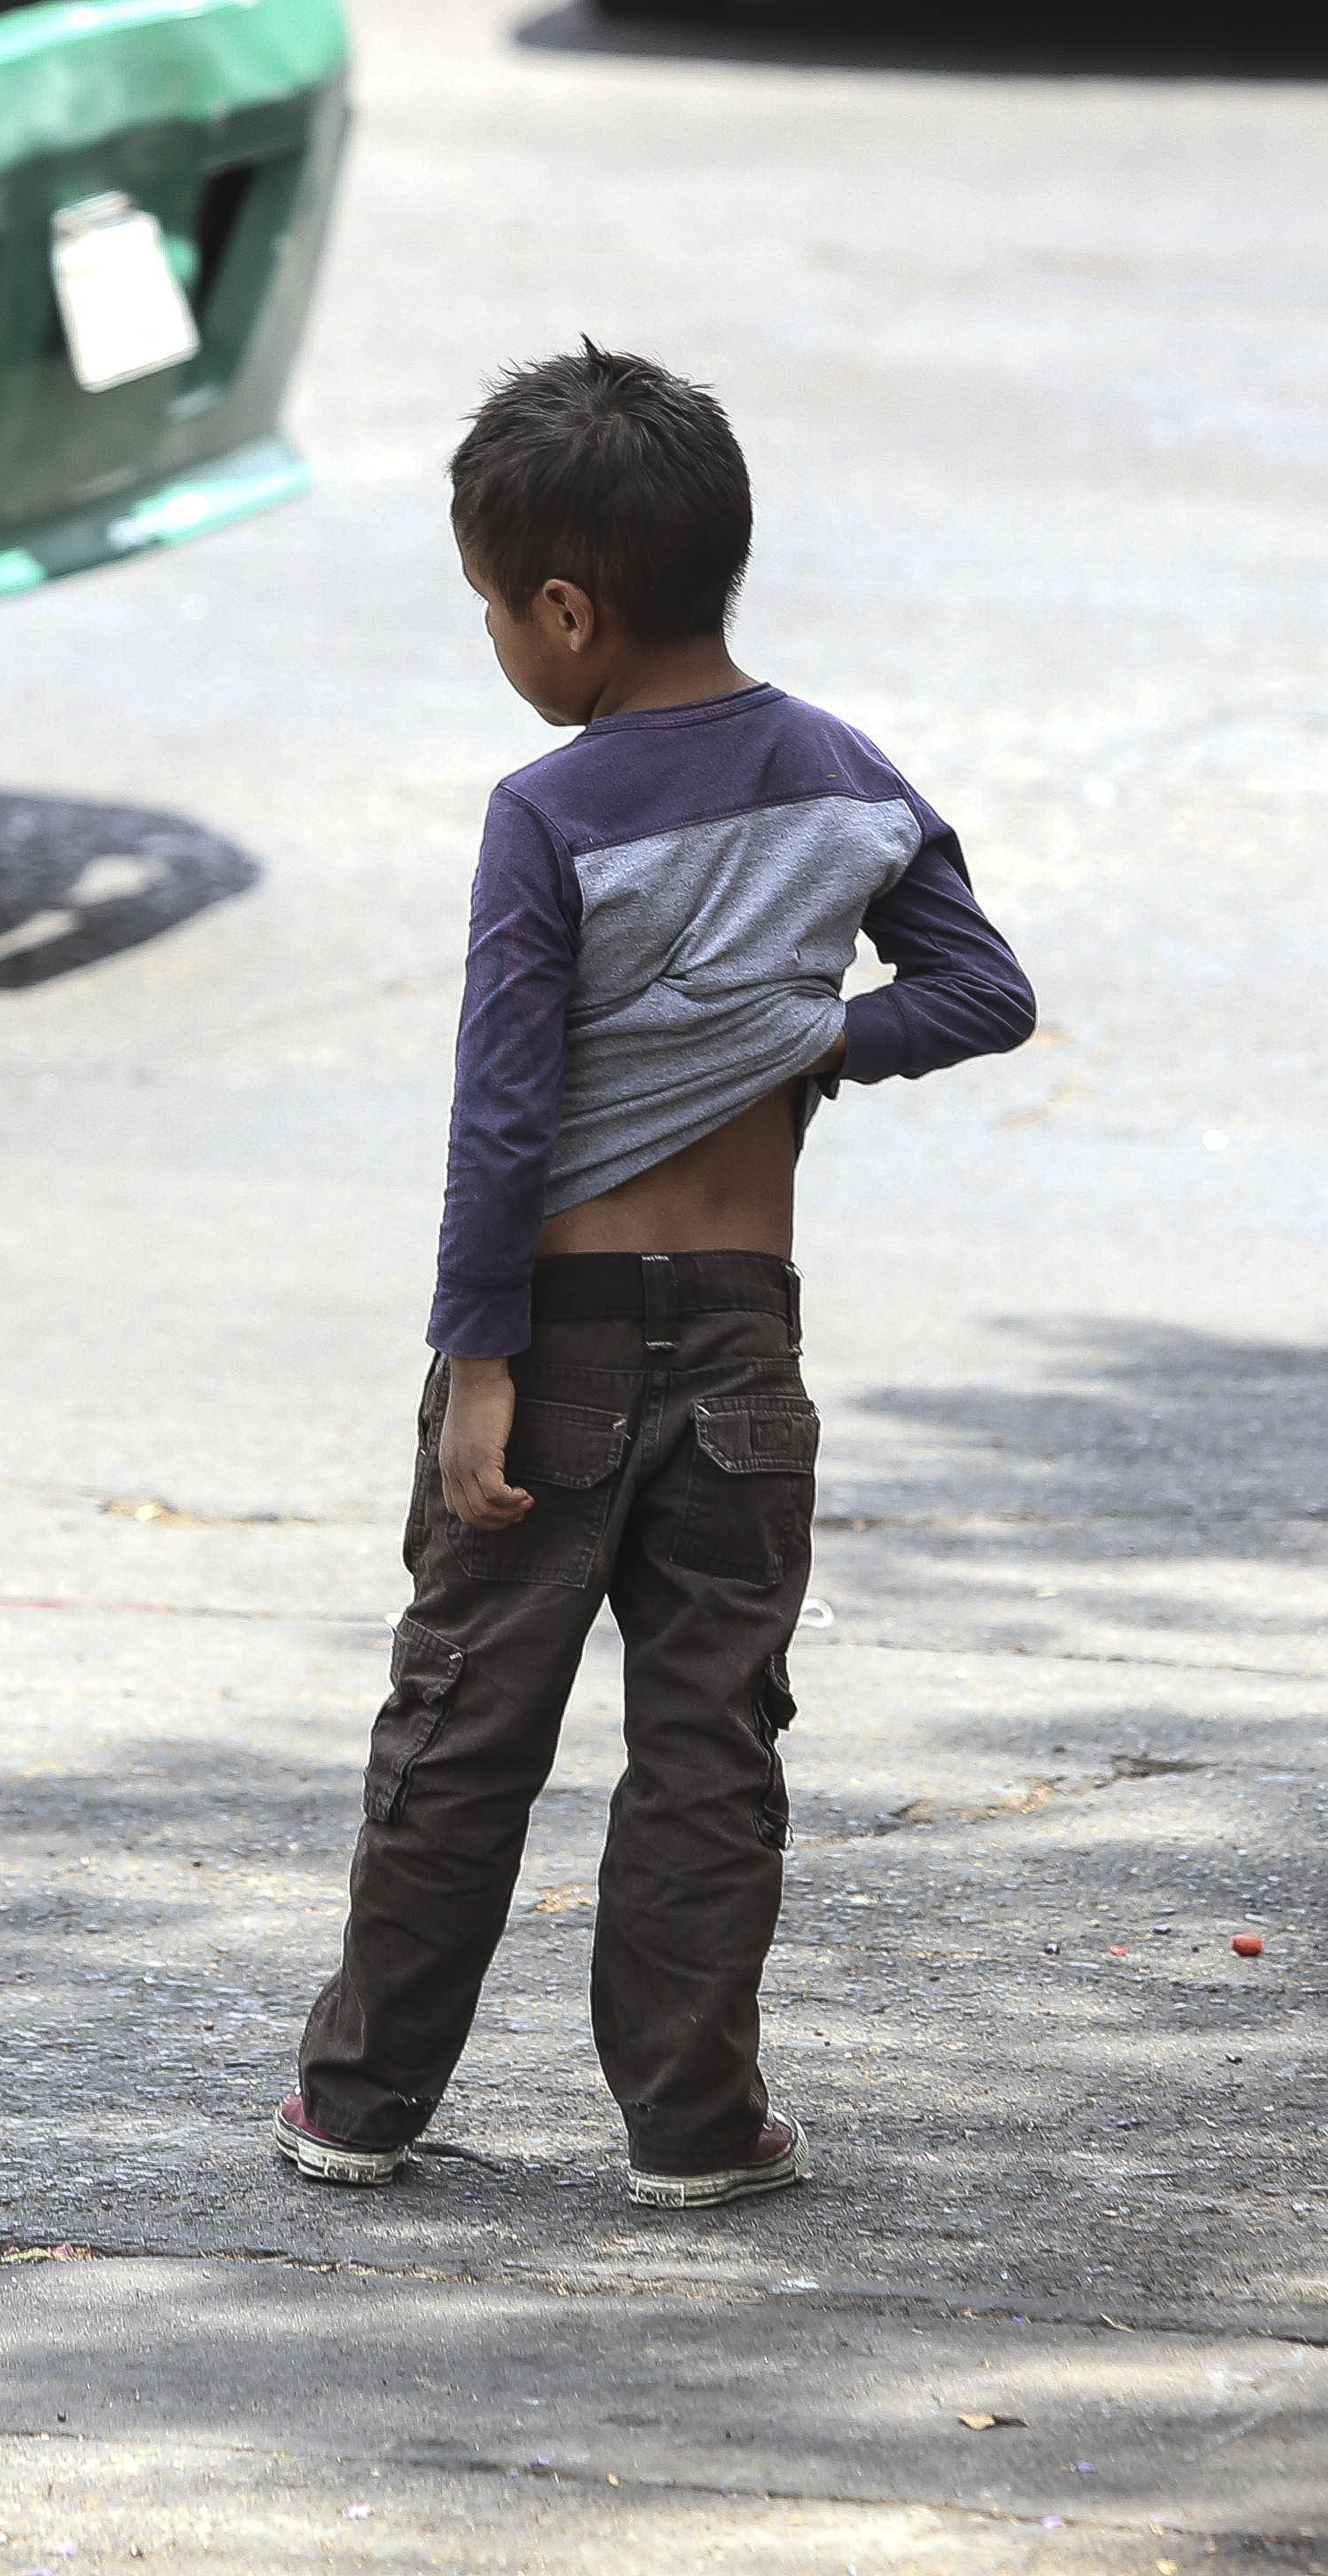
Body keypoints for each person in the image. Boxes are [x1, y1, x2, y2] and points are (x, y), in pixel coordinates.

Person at [275, 344, 1037, 2207]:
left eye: (488, 609)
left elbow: (502, 1113)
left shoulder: (550, 813)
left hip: (565, 1336)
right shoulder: (842, 777)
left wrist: (476, 1361)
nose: (495, 642)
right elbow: (982, 993)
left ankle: (361, 2107)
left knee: (465, 1725)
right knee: (711, 1741)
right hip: (743, 1344)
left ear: (565, 606)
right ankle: (695, 2127)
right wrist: (801, 1048)